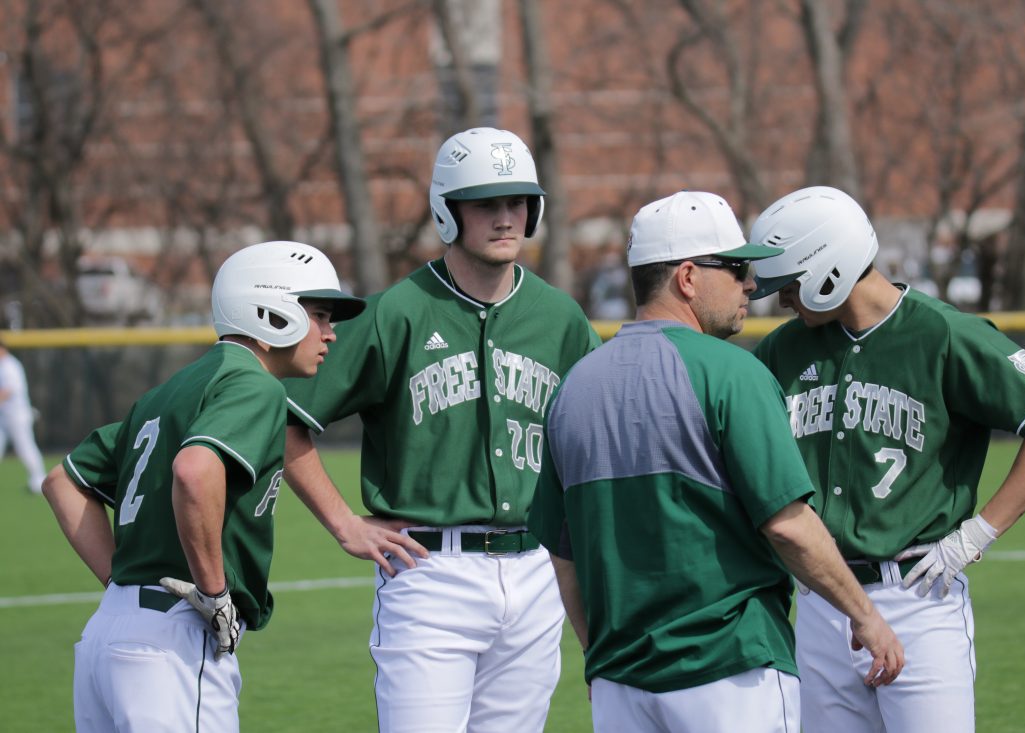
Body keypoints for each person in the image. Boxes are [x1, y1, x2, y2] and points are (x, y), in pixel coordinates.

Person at [527, 190, 905, 733]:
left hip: (620, 685)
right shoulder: (733, 373)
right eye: (734, 268)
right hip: (730, 672)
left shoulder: (574, 386)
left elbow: (564, 559)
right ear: (687, 277)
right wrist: (865, 616)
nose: (750, 284)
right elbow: (789, 527)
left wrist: (600, 659)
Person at [282, 127, 602, 732]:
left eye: (517, 203)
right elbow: (281, 418)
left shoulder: (560, 317)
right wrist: (343, 521)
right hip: (430, 572)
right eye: (486, 203)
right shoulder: (395, 312)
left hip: (536, 571)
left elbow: (595, 443)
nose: (506, 218)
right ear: (447, 211)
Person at [747, 185, 1025, 733]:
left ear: (827, 271)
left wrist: (978, 534)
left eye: (789, 286)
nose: (782, 300)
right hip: (820, 602)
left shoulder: (946, 333)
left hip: (917, 596)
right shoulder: (783, 349)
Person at [40, 241, 365, 732]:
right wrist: (215, 594)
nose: (330, 334)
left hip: (109, 635)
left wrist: (121, 584)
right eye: (319, 315)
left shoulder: (171, 388)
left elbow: (62, 481)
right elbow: (194, 471)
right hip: (175, 640)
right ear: (270, 312)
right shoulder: (254, 384)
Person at [0, 339, 47, 494]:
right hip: (3, 416)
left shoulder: (11, 366)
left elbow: (8, 391)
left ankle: (39, 479)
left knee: (25, 448)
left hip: (17, 415)